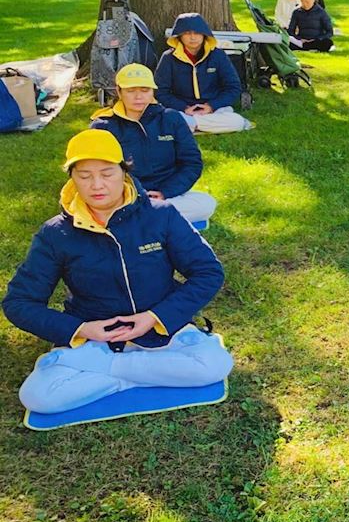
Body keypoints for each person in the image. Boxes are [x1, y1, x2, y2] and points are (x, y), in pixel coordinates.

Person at [3, 129, 233, 414]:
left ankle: (106, 374)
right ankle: (143, 373)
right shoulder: (56, 234)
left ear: (124, 171)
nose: (97, 185)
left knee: (217, 364)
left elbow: (208, 272)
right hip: (96, 339)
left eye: (107, 173)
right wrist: (83, 329)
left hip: (162, 332)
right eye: (84, 176)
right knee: (38, 397)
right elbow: (18, 303)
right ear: (72, 179)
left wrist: (154, 318)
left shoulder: (160, 214)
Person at [89, 64, 217, 225]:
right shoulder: (103, 125)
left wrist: (164, 193)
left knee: (206, 204)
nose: (138, 97)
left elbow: (192, 163)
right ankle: (156, 217)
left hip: (167, 194)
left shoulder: (171, 118)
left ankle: (137, 219)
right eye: (131, 91)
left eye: (144, 90)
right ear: (118, 91)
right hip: (124, 194)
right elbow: (98, 170)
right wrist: (136, 193)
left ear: (153, 91)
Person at [153, 14, 251, 134]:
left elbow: (233, 87)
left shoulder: (218, 55)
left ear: (204, 34)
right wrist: (184, 108)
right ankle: (198, 124)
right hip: (182, 109)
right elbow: (161, 91)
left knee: (237, 121)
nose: (193, 37)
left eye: (197, 33)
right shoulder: (168, 58)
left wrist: (211, 106)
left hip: (216, 109)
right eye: (187, 33)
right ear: (179, 36)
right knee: (167, 117)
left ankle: (190, 124)